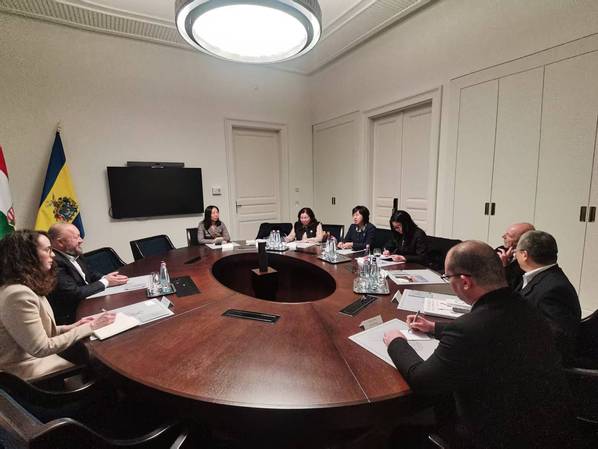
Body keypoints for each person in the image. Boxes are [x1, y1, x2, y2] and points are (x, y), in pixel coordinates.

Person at [383, 240, 574, 449]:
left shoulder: (469, 328)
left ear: (465, 282)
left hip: (497, 437)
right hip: (547, 428)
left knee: (398, 434)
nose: (448, 282)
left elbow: (422, 381)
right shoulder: (525, 306)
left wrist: (396, 342)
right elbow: (491, 332)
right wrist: (434, 327)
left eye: (447, 277)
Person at [0, 230, 115, 380]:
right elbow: (40, 348)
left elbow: (38, 331)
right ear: (27, 256)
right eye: (48, 250)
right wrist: (91, 327)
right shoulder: (17, 294)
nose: (53, 255)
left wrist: (73, 326)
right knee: (103, 365)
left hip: (36, 360)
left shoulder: (25, 285)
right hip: (27, 374)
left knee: (93, 355)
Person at [515, 230, 581, 364]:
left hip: (536, 364)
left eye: (516, 251)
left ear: (524, 255)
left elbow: (558, 338)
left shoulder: (554, 288)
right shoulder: (538, 277)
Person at [47, 223, 127, 325]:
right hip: (73, 316)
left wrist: (106, 278)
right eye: (76, 237)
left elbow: (89, 273)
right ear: (60, 242)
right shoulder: (53, 262)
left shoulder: (73, 252)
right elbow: (74, 293)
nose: (81, 240)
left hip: (90, 301)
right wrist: (106, 282)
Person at [495, 222, 535, 289]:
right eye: (506, 234)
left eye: (509, 235)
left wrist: (504, 266)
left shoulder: (530, 259)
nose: (503, 237)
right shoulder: (500, 250)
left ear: (523, 239)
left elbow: (513, 286)